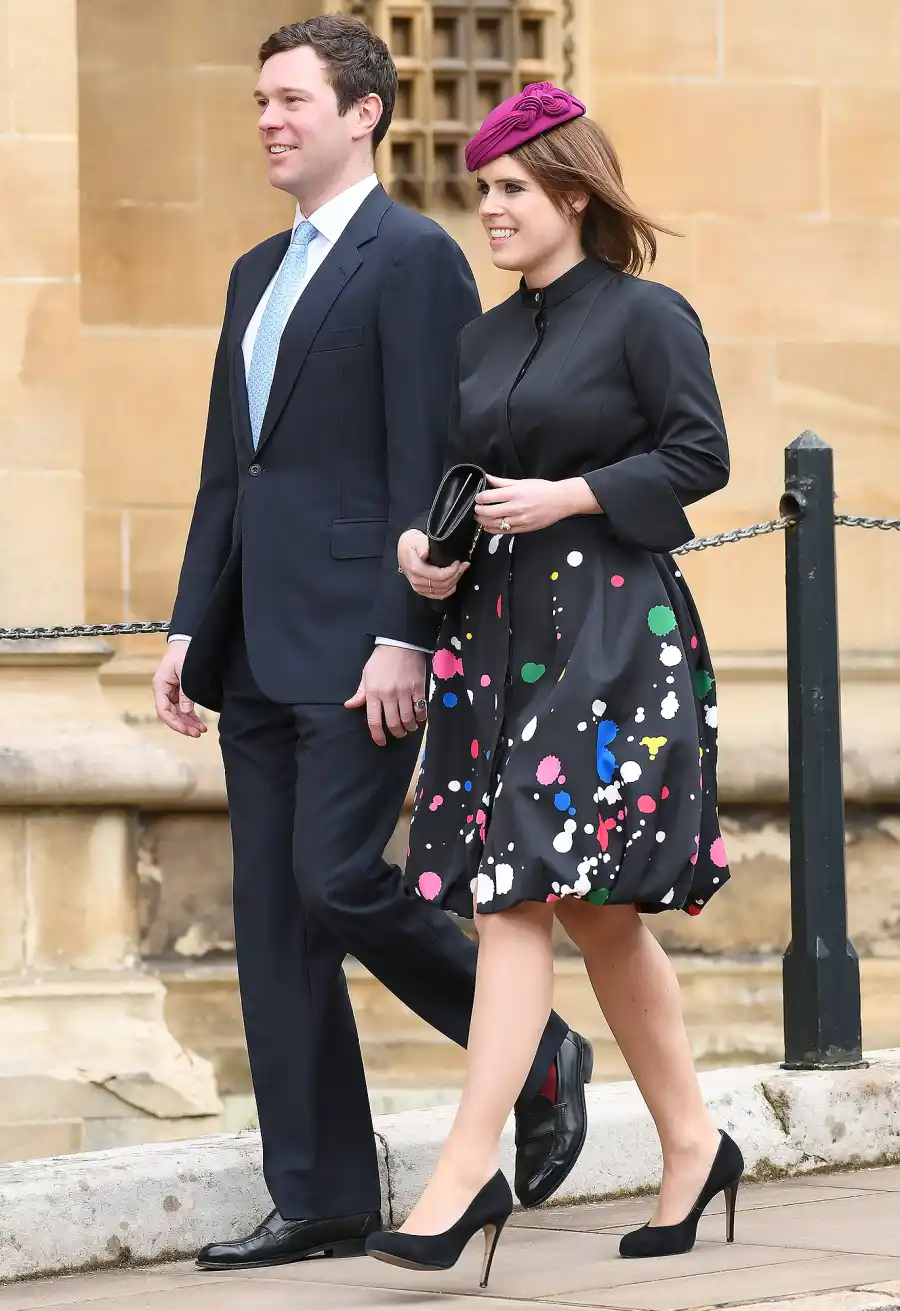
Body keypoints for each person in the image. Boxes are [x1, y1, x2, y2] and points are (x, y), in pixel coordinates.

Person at [151, 20, 591, 1272]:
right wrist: (191, 624)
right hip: (254, 645)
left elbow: (434, 463)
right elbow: (229, 472)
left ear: (366, 115)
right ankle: (324, 1196)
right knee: (274, 920)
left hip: (362, 642)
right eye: (259, 102)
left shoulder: (414, 260)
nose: (269, 121)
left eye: (292, 100)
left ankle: (537, 1048)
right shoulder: (251, 272)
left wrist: (410, 633)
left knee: (336, 879)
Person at [365, 84, 744, 1289]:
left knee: (512, 893)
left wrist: (574, 495)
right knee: (590, 912)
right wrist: (425, 565)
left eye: (512, 189)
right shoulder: (482, 339)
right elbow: (457, 481)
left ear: (573, 194)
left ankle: (467, 1168)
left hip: (611, 643)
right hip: (493, 637)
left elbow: (701, 456)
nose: (490, 210)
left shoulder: (645, 315)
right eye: (483, 191)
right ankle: (695, 1143)